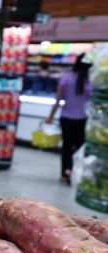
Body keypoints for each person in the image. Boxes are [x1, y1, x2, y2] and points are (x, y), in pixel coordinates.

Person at [46, 53, 93, 185]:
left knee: (67, 146)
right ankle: (81, 173)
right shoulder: (91, 81)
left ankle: (65, 172)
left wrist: (50, 116)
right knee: (80, 147)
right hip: (83, 120)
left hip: (66, 117)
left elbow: (58, 99)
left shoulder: (66, 77)